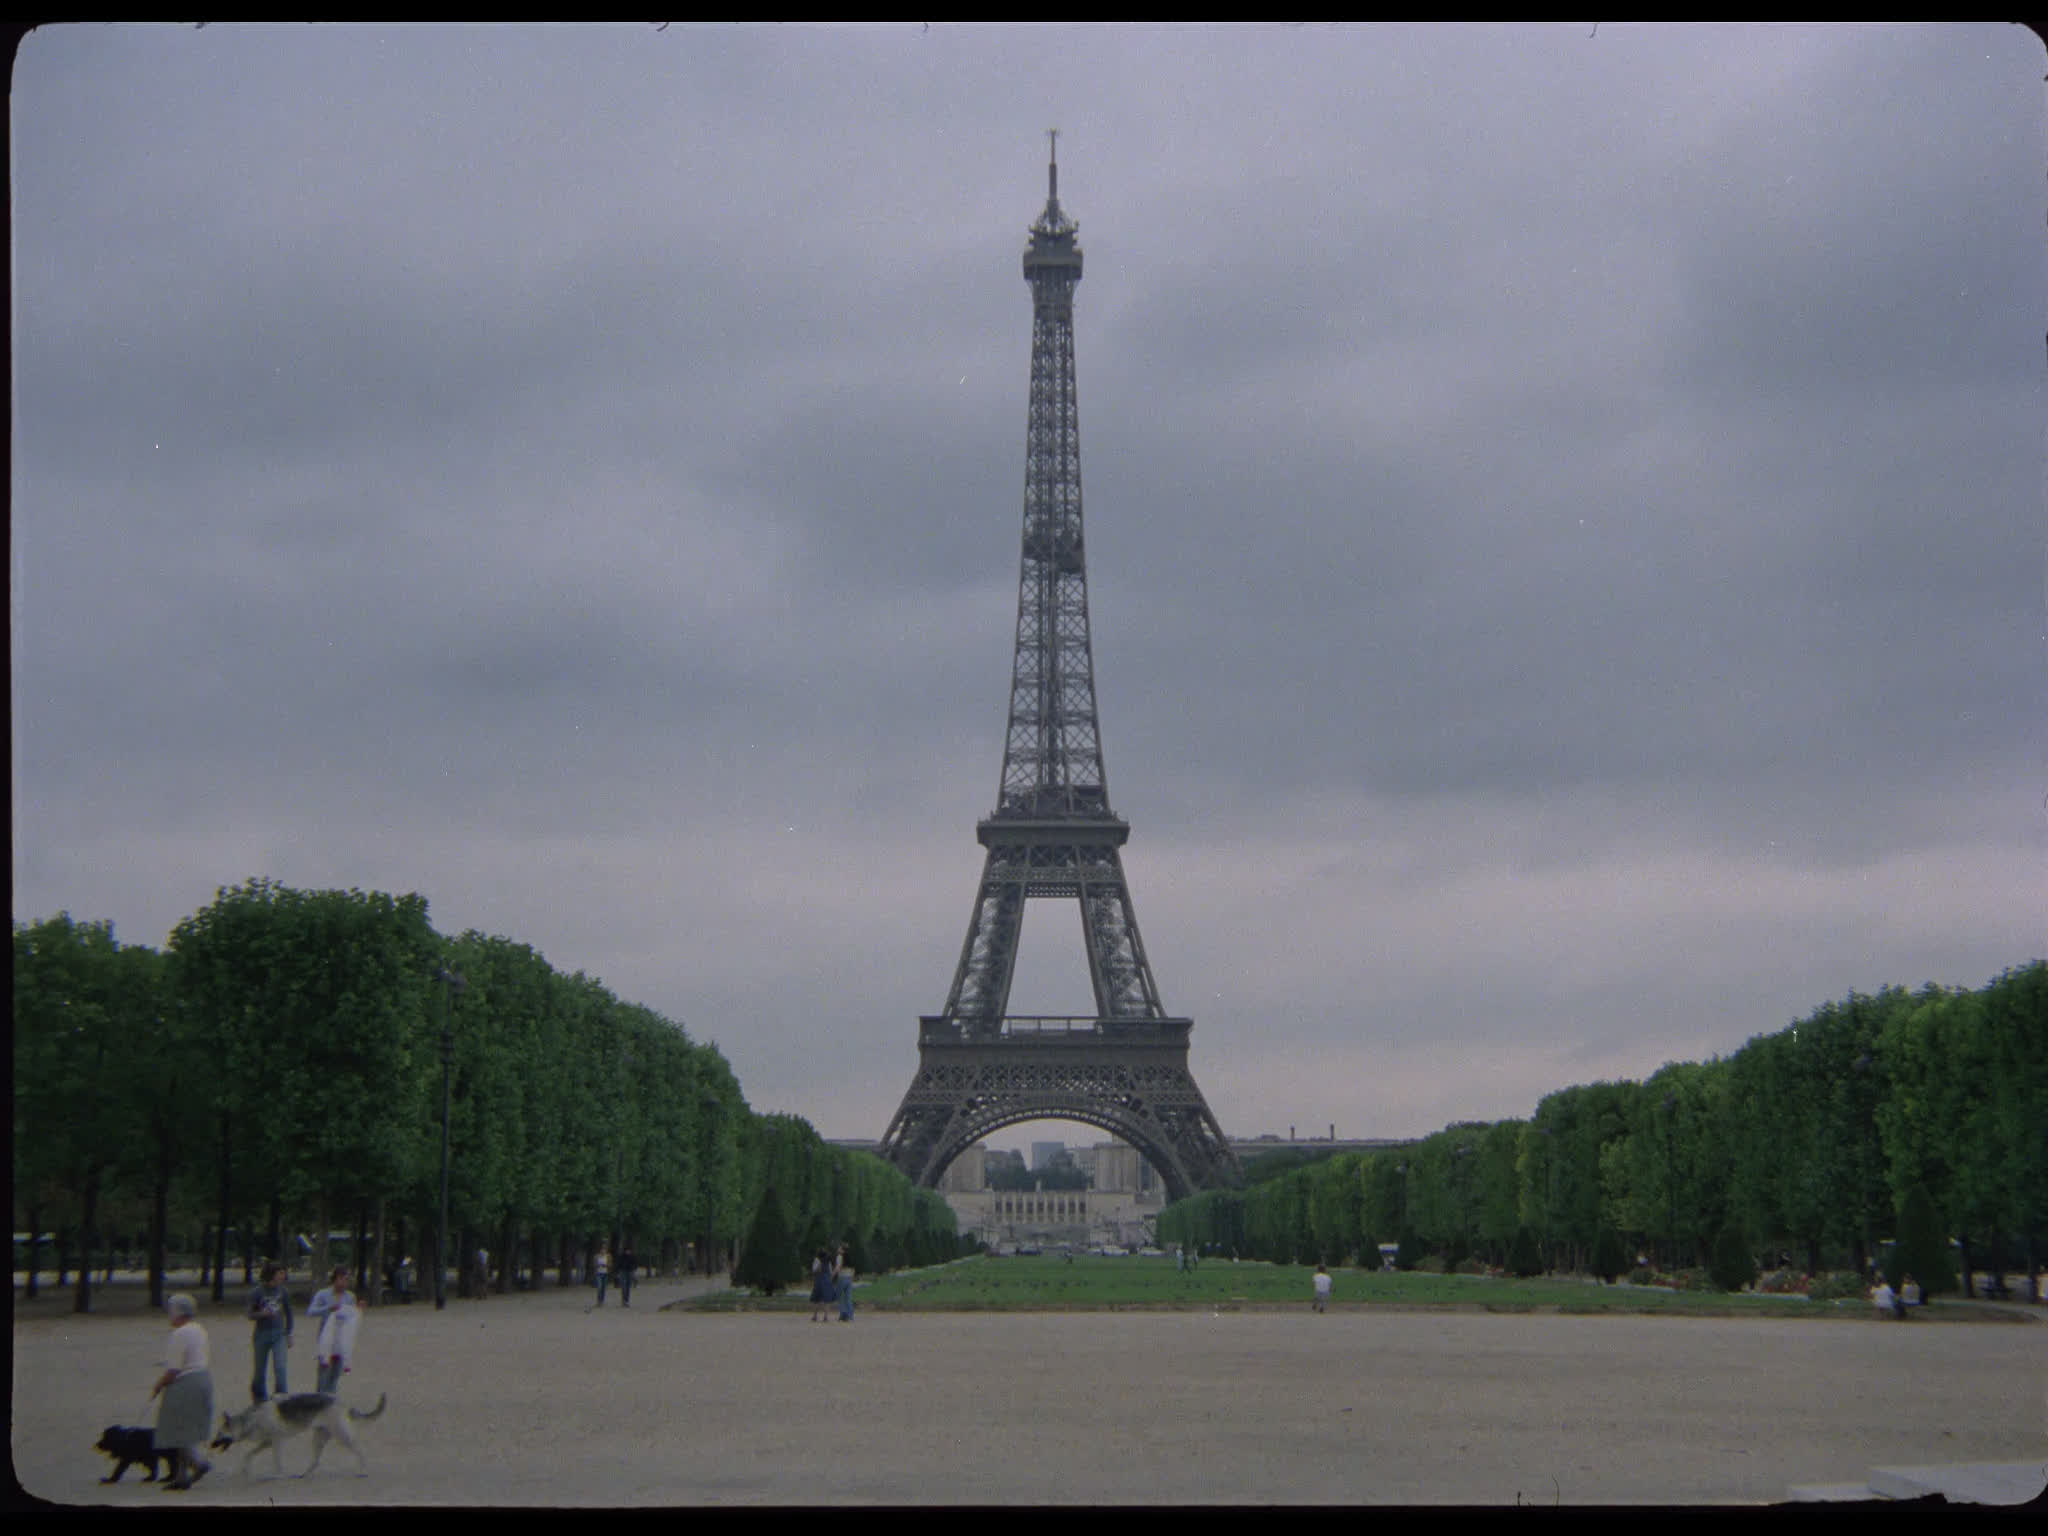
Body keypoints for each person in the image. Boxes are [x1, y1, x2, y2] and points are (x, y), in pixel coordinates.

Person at [150, 1294, 216, 1490]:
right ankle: (181, 1475)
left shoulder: (179, 1334)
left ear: (176, 1312)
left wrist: (158, 1385)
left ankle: (199, 1463)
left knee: (177, 1430)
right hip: (203, 1379)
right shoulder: (200, 1330)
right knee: (187, 1429)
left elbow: (173, 1369)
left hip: (185, 1383)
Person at [307, 1265, 360, 1393]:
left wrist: (357, 1310)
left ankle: (330, 1397)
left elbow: (352, 1316)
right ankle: (320, 1397)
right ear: (334, 1279)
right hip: (326, 1335)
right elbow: (311, 1311)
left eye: (346, 1279)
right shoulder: (323, 1294)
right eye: (341, 1279)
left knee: (336, 1370)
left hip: (342, 1336)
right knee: (324, 1369)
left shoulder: (350, 1296)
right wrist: (327, 1308)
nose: (344, 1283)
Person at [246, 1262, 294, 1401]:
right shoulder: (256, 1292)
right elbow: (249, 1314)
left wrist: (289, 1333)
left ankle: (281, 1399)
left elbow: (289, 1313)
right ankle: (260, 1399)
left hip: (279, 1334)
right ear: (272, 1274)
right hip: (261, 1334)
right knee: (259, 1371)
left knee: (280, 1367)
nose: (283, 1276)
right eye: (280, 1273)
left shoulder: (283, 1291)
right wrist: (262, 1314)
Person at [809, 1248, 834, 1323]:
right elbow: (830, 1271)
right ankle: (826, 1316)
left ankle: (815, 1316)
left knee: (816, 1299)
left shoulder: (817, 1260)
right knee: (827, 1299)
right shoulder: (828, 1262)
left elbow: (814, 1270)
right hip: (826, 1281)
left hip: (818, 1281)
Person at [835, 1245, 856, 1322]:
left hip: (842, 1278)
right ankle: (850, 1315)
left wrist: (832, 1276)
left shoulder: (840, 1257)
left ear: (842, 1250)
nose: (838, 1249)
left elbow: (838, 1268)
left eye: (839, 1248)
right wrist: (851, 1278)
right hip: (849, 1278)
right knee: (848, 1298)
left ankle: (843, 1314)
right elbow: (853, 1269)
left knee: (838, 1296)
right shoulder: (850, 1258)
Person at [617, 1241, 639, 1308]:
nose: (628, 1252)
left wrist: (633, 1269)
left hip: (630, 1271)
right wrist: (618, 1271)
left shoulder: (633, 1256)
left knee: (628, 1287)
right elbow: (618, 1264)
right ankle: (624, 1300)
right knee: (623, 1287)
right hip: (623, 1271)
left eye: (629, 1251)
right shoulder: (621, 1256)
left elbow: (635, 1264)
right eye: (627, 1250)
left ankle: (626, 1300)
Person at [594, 1242, 611, 1307]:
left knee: (603, 1288)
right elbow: (594, 1264)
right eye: (602, 1249)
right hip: (598, 1273)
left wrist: (606, 1265)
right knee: (599, 1287)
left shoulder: (608, 1256)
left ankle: (602, 1300)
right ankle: (598, 1300)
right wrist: (598, 1265)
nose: (603, 1250)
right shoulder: (596, 1256)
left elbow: (610, 1265)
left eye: (604, 1249)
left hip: (605, 1273)